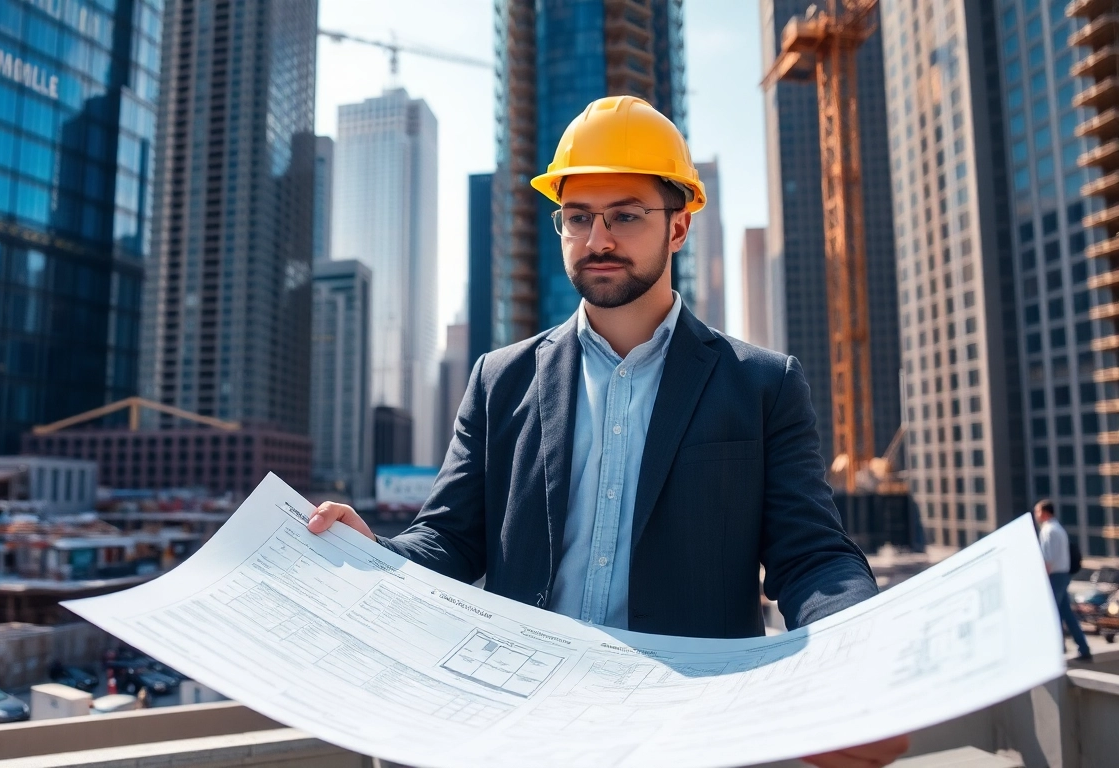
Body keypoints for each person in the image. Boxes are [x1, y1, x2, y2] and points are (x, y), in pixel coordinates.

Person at [310, 95, 906, 768]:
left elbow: (813, 558)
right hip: (527, 728)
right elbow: (450, 538)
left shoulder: (761, 386)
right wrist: (375, 555)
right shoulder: (499, 380)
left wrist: (855, 659)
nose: (599, 239)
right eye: (579, 217)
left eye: (626, 215)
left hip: (688, 732)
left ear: (679, 228)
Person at [1034, 499, 1093, 662]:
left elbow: (1048, 559)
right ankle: (1082, 647)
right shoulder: (1058, 529)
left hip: (1055, 576)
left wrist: (1042, 578)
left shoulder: (1048, 531)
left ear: (1045, 513)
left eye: (1037, 512)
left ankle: (1058, 649)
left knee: (1052, 613)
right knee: (1065, 613)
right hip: (1063, 574)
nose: (1036, 515)